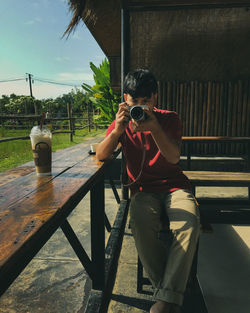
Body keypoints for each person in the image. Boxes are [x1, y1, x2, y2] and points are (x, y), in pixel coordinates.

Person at [96, 69, 200, 313]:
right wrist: (118, 130)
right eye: (135, 102)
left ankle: (165, 300)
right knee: (140, 223)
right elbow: (102, 154)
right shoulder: (121, 121)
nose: (141, 108)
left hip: (175, 186)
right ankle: (170, 296)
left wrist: (154, 129)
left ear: (156, 97)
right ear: (125, 100)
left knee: (189, 223)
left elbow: (174, 157)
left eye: (147, 101)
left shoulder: (169, 118)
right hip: (143, 189)